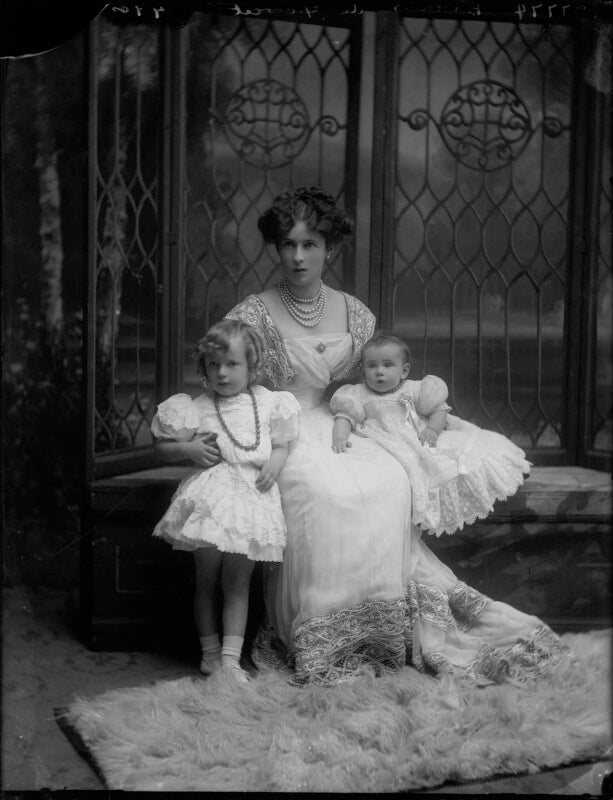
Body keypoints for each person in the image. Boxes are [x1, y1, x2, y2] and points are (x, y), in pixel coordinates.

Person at [223, 185, 570, 686]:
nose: (298, 257)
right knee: (324, 492)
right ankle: (325, 635)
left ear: (329, 249)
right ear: (277, 249)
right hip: (281, 429)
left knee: (390, 479)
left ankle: (382, 629)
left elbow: (375, 383)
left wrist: (410, 416)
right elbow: (226, 381)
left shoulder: (354, 312)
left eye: (310, 245)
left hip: (340, 420)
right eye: (288, 245)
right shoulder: (253, 314)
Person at [151, 319, 300, 682]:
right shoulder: (197, 408)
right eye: (213, 364)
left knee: (237, 582)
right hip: (212, 499)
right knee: (206, 579)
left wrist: (276, 461)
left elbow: (283, 443)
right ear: (203, 368)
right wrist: (187, 448)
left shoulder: (270, 403)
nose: (221, 373)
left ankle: (231, 661)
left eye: (232, 364)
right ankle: (210, 654)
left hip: (251, 498)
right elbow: (162, 449)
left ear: (251, 366)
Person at [330, 330, 530, 537]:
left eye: (387, 365)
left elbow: (439, 410)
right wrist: (340, 437)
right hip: (387, 442)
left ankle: (500, 478)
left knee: (452, 459)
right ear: (363, 372)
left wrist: (432, 430)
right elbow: (345, 417)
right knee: (404, 471)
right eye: (372, 366)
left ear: (404, 371)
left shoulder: (414, 389)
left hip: (420, 436)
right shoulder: (358, 394)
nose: (379, 372)